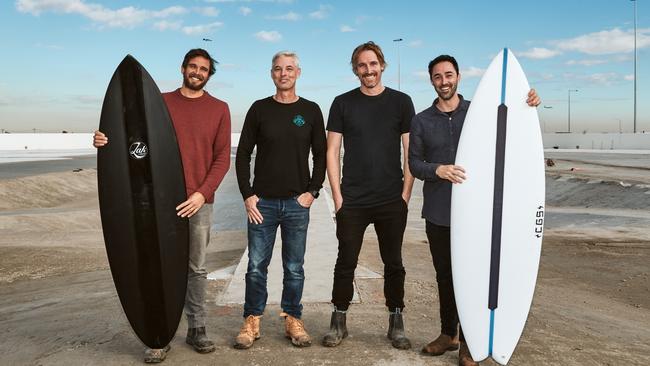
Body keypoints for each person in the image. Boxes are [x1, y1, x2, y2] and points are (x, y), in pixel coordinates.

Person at [94, 48, 231, 363]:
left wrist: (202, 193)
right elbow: (130, 142)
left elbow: (222, 158)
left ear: (209, 75)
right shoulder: (158, 104)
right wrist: (105, 139)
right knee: (154, 263)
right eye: (192, 67)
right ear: (183, 68)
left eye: (204, 69)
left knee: (195, 268)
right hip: (156, 201)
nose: (197, 72)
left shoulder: (219, 109)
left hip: (197, 202)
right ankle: (158, 332)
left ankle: (196, 328)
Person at [408, 54, 540, 366]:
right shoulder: (422, 120)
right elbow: (414, 164)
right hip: (439, 212)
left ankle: (471, 341)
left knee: (474, 275)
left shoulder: (480, 112)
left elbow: (512, 131)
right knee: (445, 277)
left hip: (478, 215)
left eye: (448, 75)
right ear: (431, 81)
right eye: (438, 77)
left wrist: (528, 102)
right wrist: (438, 169)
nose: (444, 81)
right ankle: (448, 334)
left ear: (458, 76)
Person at [322, 41, 415, 350]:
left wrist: (405, 194)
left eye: (373, 64)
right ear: (355, 70)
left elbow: (410, 151)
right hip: (354, 200)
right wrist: (338, 197)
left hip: (391, 198)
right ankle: (339, 320)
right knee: (345, 261)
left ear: (382, 65)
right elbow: (332, 151)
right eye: (362, 65)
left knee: (394, 262)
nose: (368, 70)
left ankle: (396, 320)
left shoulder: (401, 102)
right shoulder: (342, 103)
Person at [233, 51, 326, 349]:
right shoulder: (259, 109)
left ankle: (292, 320)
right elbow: (243, 153)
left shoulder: (311, 110)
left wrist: (312, 191)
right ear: (271, 74)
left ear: (298, 72)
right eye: (277, 69)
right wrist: (248, 194)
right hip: (263, 206)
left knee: (294, 267)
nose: (283, 73)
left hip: (297, 205)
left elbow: (322, 155)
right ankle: (252, 320)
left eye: (289, 69)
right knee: (256, 266)